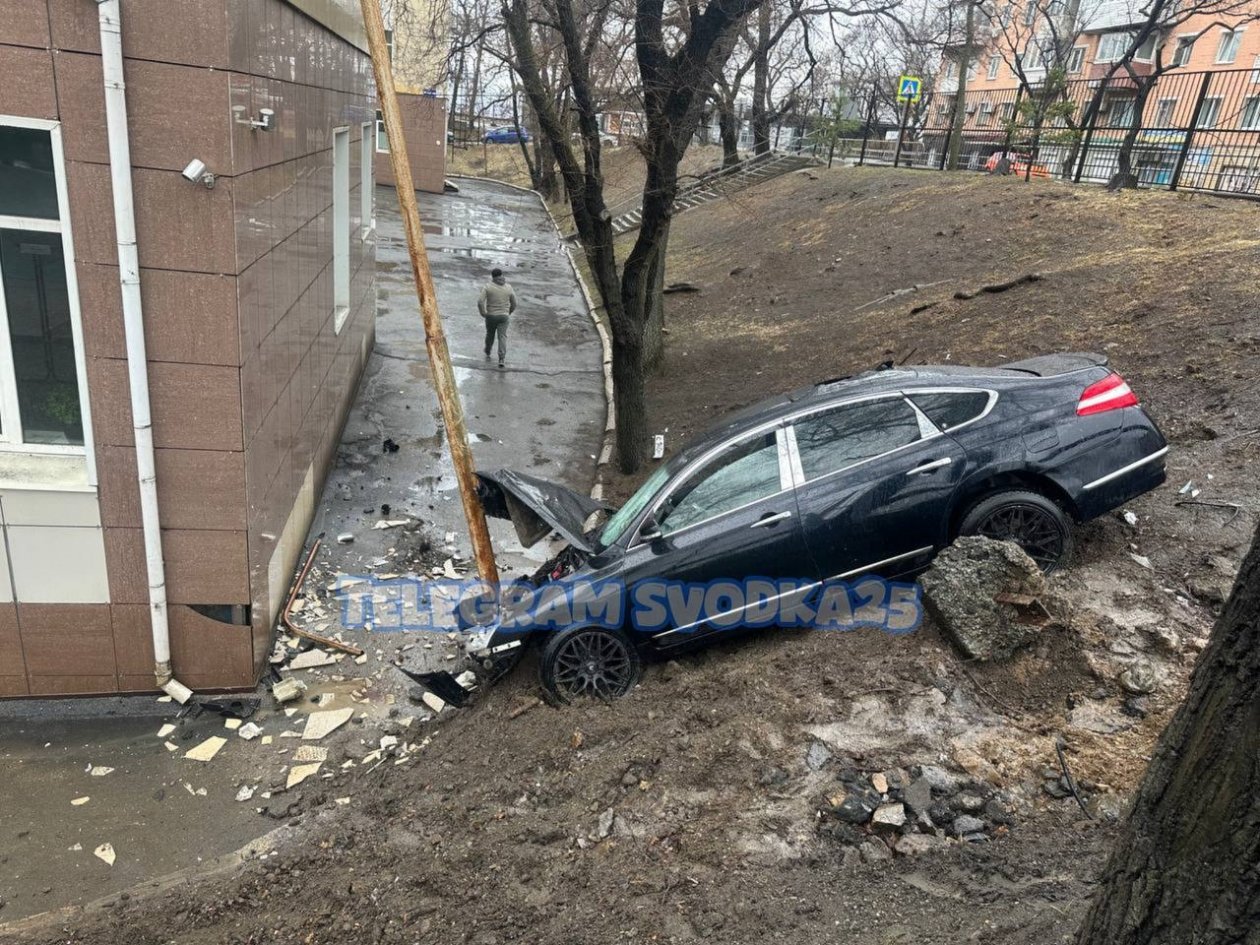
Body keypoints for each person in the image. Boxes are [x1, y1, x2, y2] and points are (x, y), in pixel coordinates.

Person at [478, 267, 517, 368]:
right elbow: (514, 303)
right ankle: (501, 358)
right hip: (504, 316)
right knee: (502, 337)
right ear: (501, 275)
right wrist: (509, 312)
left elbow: (480, 301)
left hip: (491, 316)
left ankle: (488, 350)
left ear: (492, 276)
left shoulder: (487, 287)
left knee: (490, 334)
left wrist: (483, 313)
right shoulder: (509, 287)